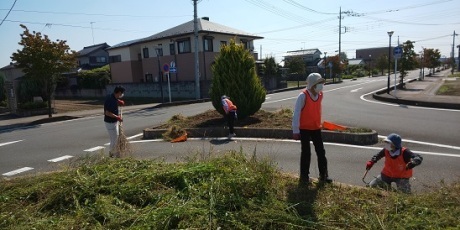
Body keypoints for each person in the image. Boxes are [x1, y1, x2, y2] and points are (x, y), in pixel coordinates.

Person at [292, 73, 332, 185]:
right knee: (306, 152)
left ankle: (324, 175)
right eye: (319, 83)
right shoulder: (303, 96)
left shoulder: (320, 95)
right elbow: (296, 113)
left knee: (321, 152)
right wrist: (295, 130)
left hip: (316, 128)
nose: (321, 86)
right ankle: (304, 176)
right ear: (313, 85)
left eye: (321, 83)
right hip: (304, 128)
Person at [104, 86, 125, 157]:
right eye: (121, 93)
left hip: (113, 121)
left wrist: (119, 102)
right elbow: (107, 113)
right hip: (110, 122)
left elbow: (114, 100)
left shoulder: (112, 97)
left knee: (114, 138)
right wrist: (117, 117)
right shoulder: (111, 100)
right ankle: (113, 153)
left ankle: (112, 152)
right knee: (115, 139)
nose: (121, 95)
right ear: (119, 92)